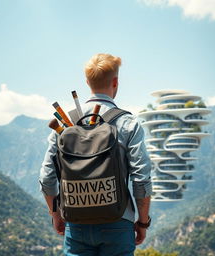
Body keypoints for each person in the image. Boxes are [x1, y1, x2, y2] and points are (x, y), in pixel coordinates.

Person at [39, 53, 152, 256]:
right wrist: (143, 222)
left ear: (87, 82)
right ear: (115, 82)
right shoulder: (128, 123)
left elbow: (47, 177)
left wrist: (55, 214)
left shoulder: (65, 124)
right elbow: (141, 178)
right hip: (118, 222)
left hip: (76, 223)